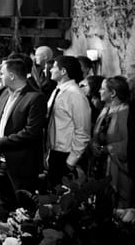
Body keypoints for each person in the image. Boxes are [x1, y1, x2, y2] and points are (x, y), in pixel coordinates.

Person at [0, 54, 47, 217]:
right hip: (0, 162)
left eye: (2, 72)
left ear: (12, 76)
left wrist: (1, 143)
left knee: (23, 209)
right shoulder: (5, 94)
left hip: (21, 165)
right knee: (3, 205)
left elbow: (31, 132)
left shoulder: (35, 98)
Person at [46, 55, 91, 187]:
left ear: (63, 71)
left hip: (66, 154)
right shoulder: (58, 90)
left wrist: (71, 161)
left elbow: (83, 130)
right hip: (54, 152)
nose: (50, 70)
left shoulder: (75, 95)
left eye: (54, 67)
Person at [89, 76, 132, 206]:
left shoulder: (126, 113)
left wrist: (108, 149)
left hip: (117, 171)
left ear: (112, 93)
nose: (99, 91)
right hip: (100, 166)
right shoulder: (105, 110)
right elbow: (97, 135)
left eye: (103, 89)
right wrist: (93, 144)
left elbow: (128, 144)